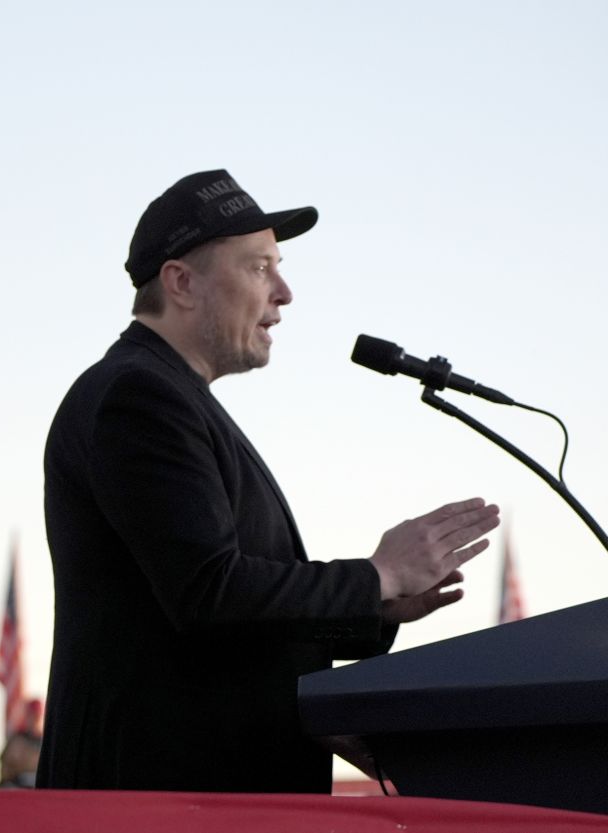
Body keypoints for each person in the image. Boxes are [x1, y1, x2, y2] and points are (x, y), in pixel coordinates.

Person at [35, 169, 499, 794]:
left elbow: (218, 613)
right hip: (162, 799)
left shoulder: (167, 393)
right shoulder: (140, 396)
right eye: (259, 268)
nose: (284, 292)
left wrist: (374, 609)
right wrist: (376, 574)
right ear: (181, 282)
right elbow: (209, 592)